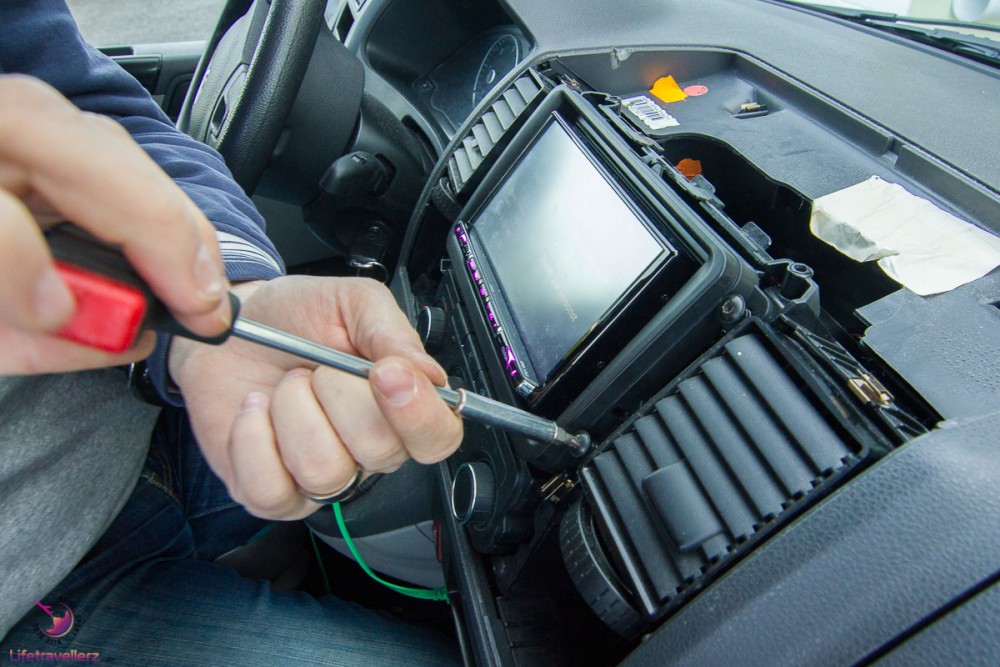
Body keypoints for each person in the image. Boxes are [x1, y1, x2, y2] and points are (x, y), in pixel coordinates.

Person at [0, 2, 463, 664]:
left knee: (430, 442)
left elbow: (92, 109)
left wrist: (225, 304)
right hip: (32, 589)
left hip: (138, 422)